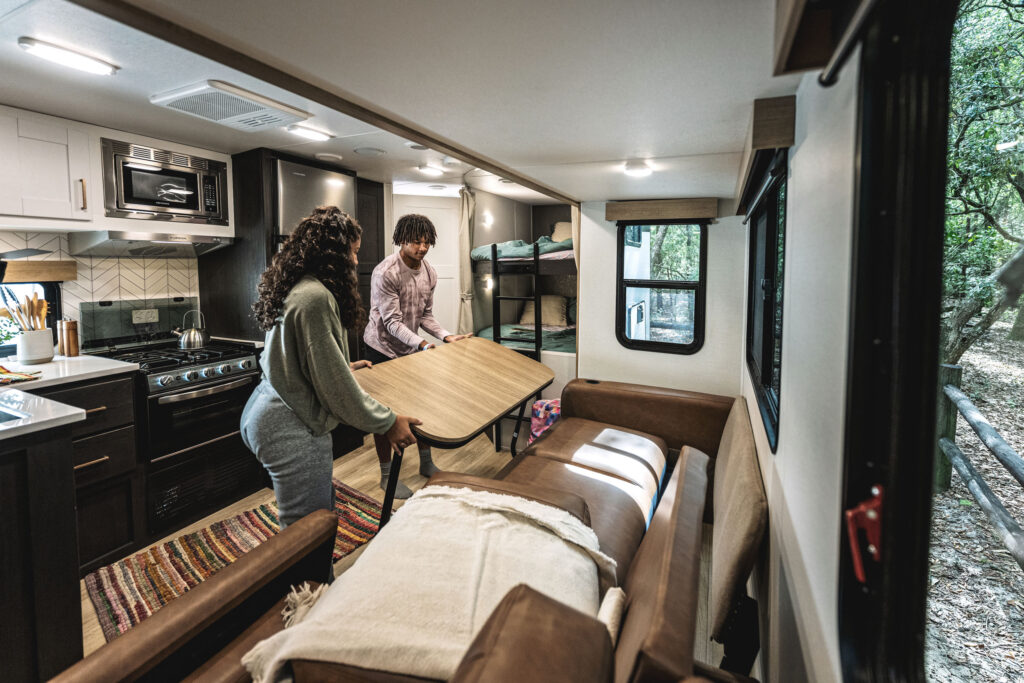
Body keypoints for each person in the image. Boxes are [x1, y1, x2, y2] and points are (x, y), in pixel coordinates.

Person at [240, 205, 421, 528]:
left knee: (315, 516)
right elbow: (336, 390)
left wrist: (341, 363)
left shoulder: (299, 287)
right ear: (330, 254)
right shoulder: (315, 297)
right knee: (308, 531)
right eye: (351, 252)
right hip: (290, 426)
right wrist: (388, 422)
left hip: (268, 411)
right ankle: (311, 582)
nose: (354, 261)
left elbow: (293, 356)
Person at [363, 213, 471, 498]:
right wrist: (422, 345)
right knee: (384, 415)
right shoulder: (386, 272)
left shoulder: (430, 273)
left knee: (421, 405)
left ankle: (426, 463)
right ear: (401, 240)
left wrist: (446, 336)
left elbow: (425, 316)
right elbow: (391, 322)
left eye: (426, 243)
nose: (422, 248)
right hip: (381, 349)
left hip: (411, 347)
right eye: (415, 242)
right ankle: (387, 476)